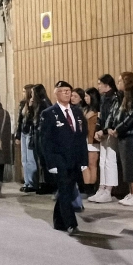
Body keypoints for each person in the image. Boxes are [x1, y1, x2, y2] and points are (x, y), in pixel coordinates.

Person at [39, 81, 89, 235]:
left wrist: (83, 160)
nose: (67, 93)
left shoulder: (77, 112)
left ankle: (58, 221)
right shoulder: (48, 113)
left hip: (74, 158)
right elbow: (45, 141)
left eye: (69, 91)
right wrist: (50, 162)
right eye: (63, 91)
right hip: (59, 158)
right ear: (56, 93)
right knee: (65, 190)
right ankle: (71, 224)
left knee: (65, 190)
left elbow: (82, 137)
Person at [111, 72, 133, 207]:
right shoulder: (123, 97)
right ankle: (131, 193)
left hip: (131, 135)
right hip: (124, 135)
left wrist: (118, 129)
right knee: (127, 166)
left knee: (132, 166)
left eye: (120, 81)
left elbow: (132, 116)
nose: (118, 83)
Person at [88, 74, 119, 204]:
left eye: (100, 84)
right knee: (102, 161)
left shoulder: (115, 97)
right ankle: (101, 187)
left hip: (111, 132)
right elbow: (101, 116)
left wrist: (105, 130)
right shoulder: (103, 98)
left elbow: (114, 115)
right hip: (102, 132)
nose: (98, 86)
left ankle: (108, 190)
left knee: (110, 160)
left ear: (107, 85)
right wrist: (97, 130)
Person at [29, 84, 53, 194]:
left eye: (33, 93)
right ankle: (44, 184)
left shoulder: (45, 104)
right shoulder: (39, 104)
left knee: (45, 161)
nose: (31, 95)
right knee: (41, 161)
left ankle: (48, 185)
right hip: (39, 134)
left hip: (44, 135)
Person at [16, 85, 37, 192]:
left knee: (31, 159)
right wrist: (17, 135)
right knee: (24, 159)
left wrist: (31, 106)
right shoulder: (22, 103)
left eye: (24, 91)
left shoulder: (34, 103)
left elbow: (33, 120)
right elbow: (20, 120)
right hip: (24, 132)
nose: (22, 93)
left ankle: (32, 183)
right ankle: (27, 182)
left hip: (30, 133)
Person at [83, 87, 101, 190]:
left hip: (93, 140)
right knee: (86, 164)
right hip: (85, 139)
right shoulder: (86, 109)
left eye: (87, 96)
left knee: (92, 163)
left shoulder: (97, 110)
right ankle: (87, 184)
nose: (85, 98)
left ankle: (92, 186)